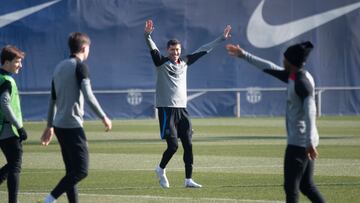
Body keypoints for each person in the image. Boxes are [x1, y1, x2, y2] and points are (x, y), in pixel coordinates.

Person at [226, 41, 325, 203]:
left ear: (291, 61)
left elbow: (310, 112)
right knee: (306, 186)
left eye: (285, 59)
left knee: (291, 188)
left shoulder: (302, 82)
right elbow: (269, 67)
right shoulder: (296, 75)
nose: (282, 61)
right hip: (305, 141)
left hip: (300, 143)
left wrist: (309, 142)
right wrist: (244, 55)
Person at [144, 19, 231, 188]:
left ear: (180, 50)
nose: (175, 52)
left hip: (182, 111)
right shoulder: (161, 63)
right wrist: (147, 35)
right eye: (172, 50)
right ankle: (160, 169)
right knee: (173, 146)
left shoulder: (185, 62)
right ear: (167, 50)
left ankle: (188, 179)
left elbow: (204, 49)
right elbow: (152, 48)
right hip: (166, 110)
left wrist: (221, 38)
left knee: (188, 145)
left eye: (177, 49)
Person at [40, 32, 112, 203]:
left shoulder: (58, 67)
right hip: (72, 126)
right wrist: (103, 117)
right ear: (84, 48)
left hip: (59, 126)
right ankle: (49, 200)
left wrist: (49, 125)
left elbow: (52, 100)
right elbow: (88, 96)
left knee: (71, 171)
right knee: (81, 170)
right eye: (89, 49)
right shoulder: (80, 66)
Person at [0, 45, 28, 203]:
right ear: (7, 61)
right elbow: (5, 104)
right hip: (9, 130)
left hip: (2, 129)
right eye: (17, 61)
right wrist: (19, 126)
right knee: (15, 165)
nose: (20, 65)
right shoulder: (7, 81)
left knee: (13, 164)